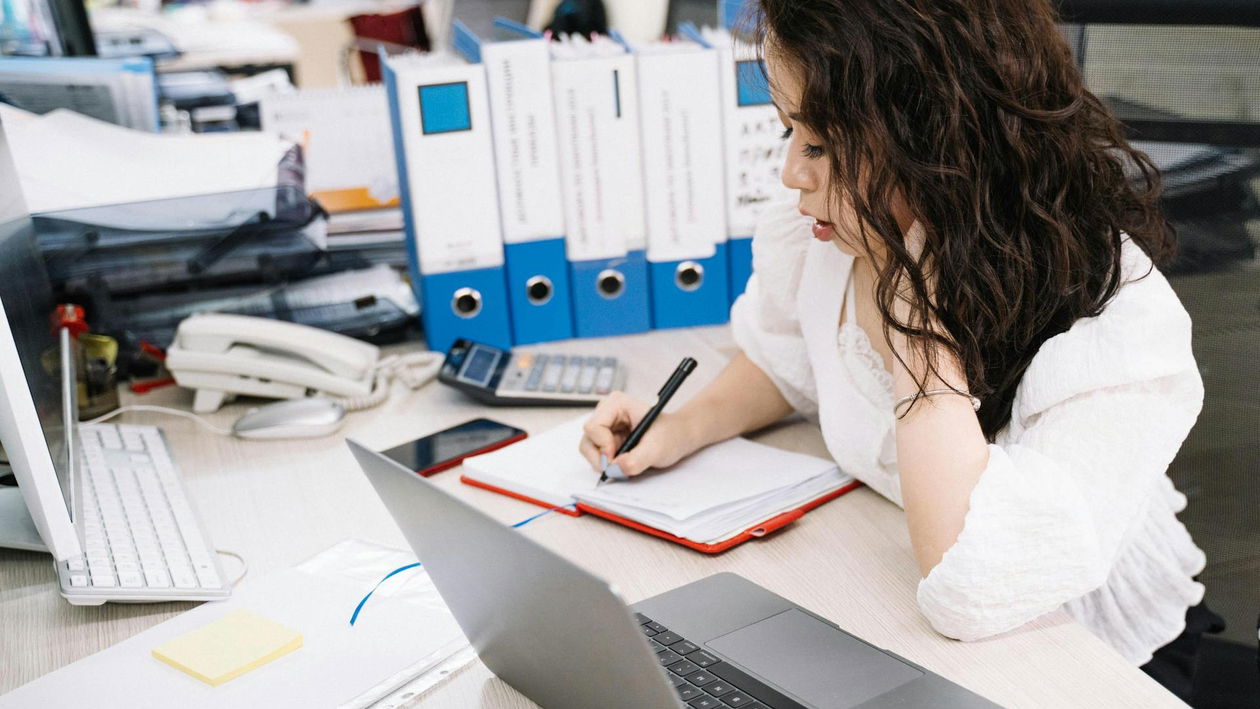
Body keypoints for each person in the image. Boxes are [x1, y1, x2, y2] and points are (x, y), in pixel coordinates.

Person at [578, 0, 1217, 699]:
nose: (792, 172)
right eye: (790, 131)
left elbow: (970, 582)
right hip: (913, 626)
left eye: (819, 145)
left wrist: (919, 326)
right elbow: (789, 360)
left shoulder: (1115, 321)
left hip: (1091, 660)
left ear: (934, 145)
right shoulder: (835, 239)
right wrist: (678, 428)